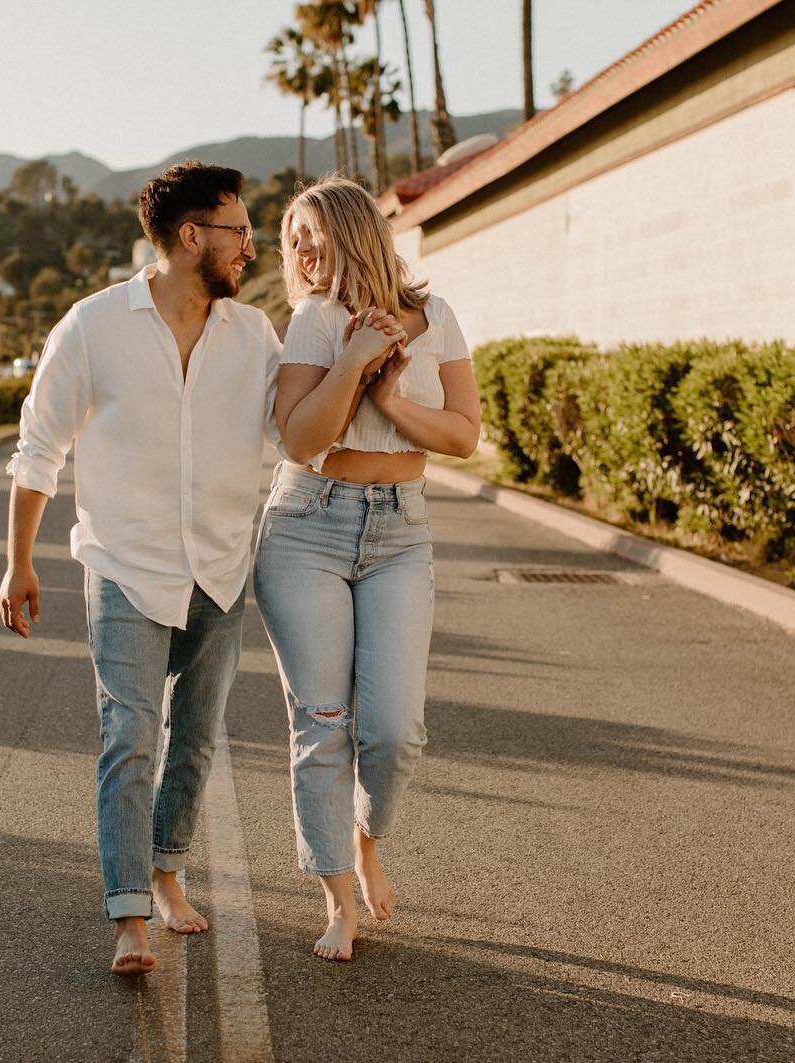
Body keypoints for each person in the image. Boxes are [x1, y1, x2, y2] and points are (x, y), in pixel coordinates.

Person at [0, 162, 280, 976]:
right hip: (126, 565)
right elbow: (39, 449)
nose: (250, 247)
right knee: (128, 736)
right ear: (192, 237)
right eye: (239, 230)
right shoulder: (92, 327)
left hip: (221, 566)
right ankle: (129, 915)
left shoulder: (253, 334)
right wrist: (18, 562)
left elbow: (294, 426)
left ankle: (165, 870)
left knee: (193, 739)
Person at [253, 175, 482, 962]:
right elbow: (299, 437)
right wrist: (352, 360)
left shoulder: (438, 316)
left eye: (312, 234)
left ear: (355, 232)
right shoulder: (314, 322)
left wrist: (392, 396)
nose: (301, 251)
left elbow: (460, 436)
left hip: (399, 532)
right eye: (293, 239)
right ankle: (337, 897)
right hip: (307, 527)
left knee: (393, 731)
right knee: (321, 727)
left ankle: (366, 836)